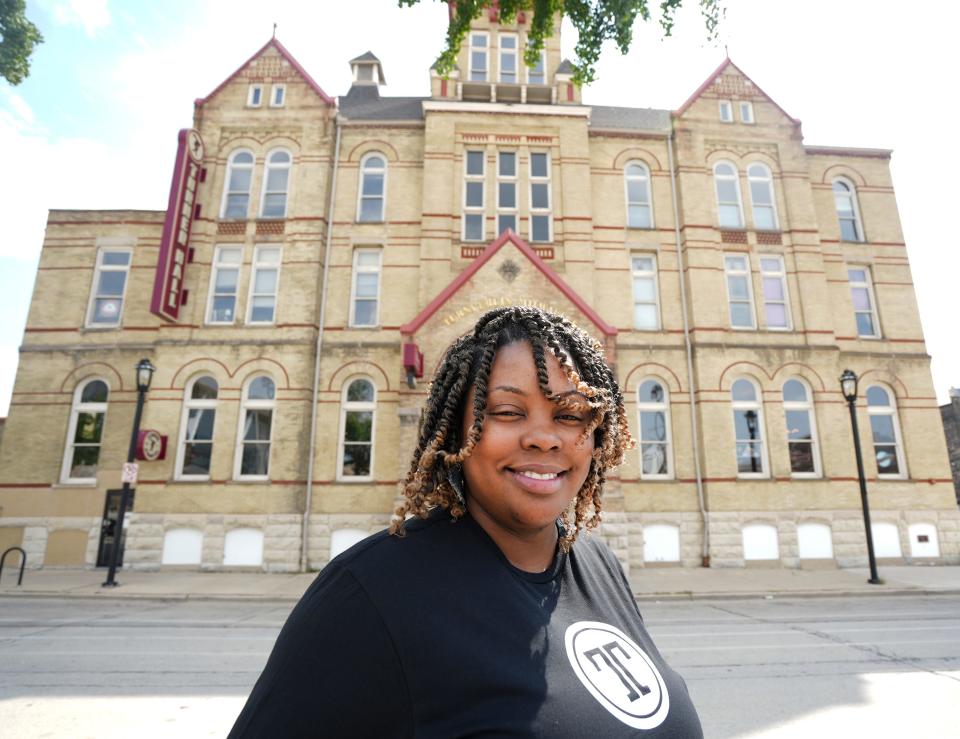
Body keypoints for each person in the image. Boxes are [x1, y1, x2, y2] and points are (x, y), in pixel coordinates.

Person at [228, 306, 703, 738]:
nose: (543, 437)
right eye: (508, 412)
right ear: (457, 430)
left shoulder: (597, 564)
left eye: (569, 414)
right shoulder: (372, 593)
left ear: (597, 434)